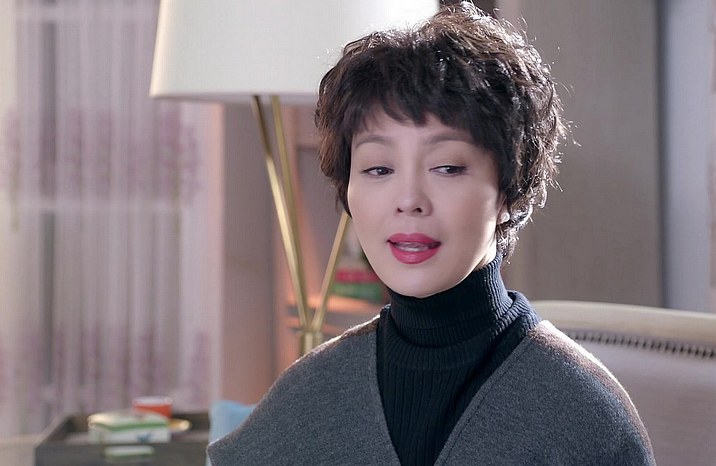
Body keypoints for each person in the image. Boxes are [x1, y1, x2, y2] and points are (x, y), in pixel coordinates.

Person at [208, 2, 655, 465]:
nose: (409, 200)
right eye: (378, 168)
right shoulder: (310, 393)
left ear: (508, 190)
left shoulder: (580, 411)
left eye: (447, 167)